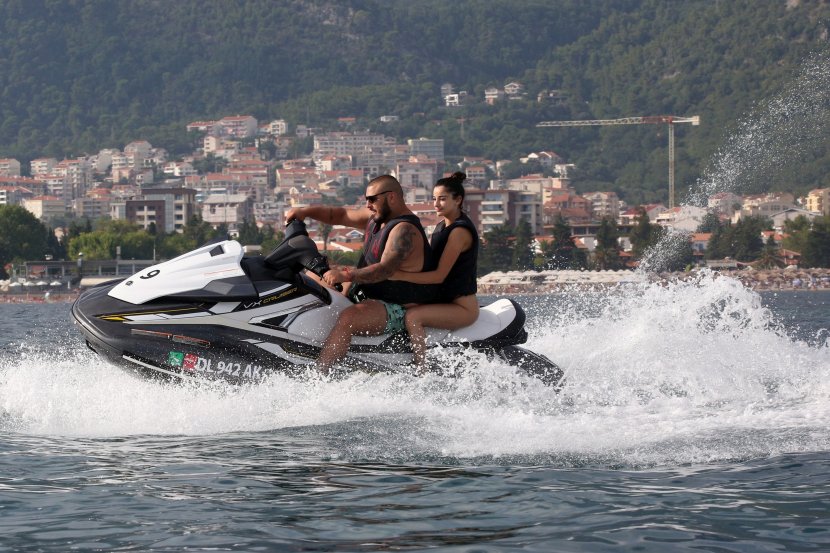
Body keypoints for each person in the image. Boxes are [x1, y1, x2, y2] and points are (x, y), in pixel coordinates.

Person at [285, 175, 438, 373]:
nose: (368, 205)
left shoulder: (405, 230)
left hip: (395, 306)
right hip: (364, 291)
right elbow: (339, 215)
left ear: (391, 197)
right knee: (309, 280)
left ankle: (319, 375)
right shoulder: (376, 218)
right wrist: (305, 212)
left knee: (349, 318)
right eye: (366, 199)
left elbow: (385, 269)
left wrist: (345, 275)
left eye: (372, 199)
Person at [389, 171, 479, 370]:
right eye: (434, 199)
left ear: (458, 200)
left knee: (413, 317)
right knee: (397, 303)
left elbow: (439, 276)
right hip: (442, 298)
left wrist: (399, 275)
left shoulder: (459, 232)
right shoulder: (440, 227)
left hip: (463, 307)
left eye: (442, 199)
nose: (436, 204)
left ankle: (421, 369)